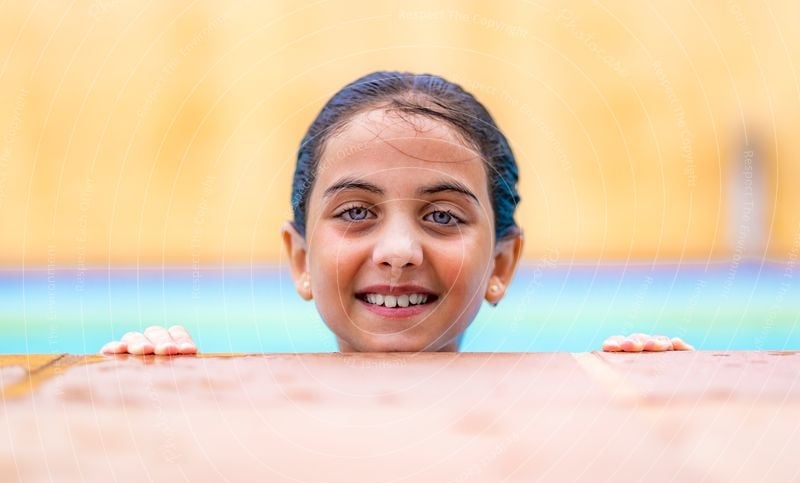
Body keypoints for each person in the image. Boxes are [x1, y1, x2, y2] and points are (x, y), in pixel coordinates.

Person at [100, 71, 693, 356]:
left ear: (502, 263)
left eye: (442, 217)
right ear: (300, 258)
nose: (398, 250)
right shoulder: (230, 418)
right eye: (357, 210)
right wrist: (146, 383)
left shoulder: (569, 416)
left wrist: (656, 398)